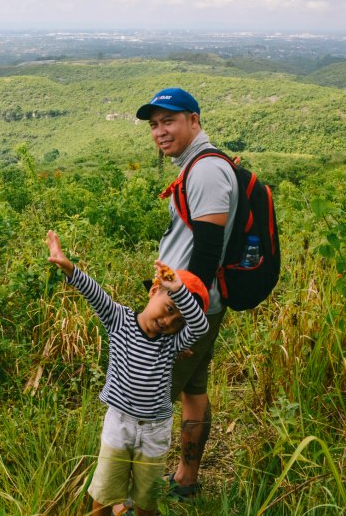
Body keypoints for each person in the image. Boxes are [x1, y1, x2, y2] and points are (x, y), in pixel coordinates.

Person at [45, 230, 209, 516]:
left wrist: (180, 290)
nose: (168, 321)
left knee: (147, 501)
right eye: (169, 308)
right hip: (118, 425)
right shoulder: (119, 319)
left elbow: (201, 327)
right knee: (104, 496)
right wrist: (68, 266)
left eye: (177, 320)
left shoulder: (173, 341)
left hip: (154, 430)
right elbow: (95, 293)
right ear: (154, 290)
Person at [135, 87, 238, 499]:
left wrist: (180, 315)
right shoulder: (196, 166)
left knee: (148, 399)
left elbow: (209, 249)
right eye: (154, 125)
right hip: (197, 306)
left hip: (186, 309)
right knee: (194, 391)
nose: (160, 132)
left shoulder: (207, 171)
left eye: (169, 121)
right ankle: (186, 478)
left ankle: (136, 494)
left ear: (194, 121)